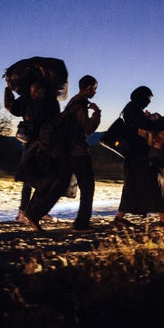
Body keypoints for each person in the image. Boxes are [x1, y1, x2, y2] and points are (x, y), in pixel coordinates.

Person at [113, 86, 164, 226]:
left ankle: (120, 218)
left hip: (137, 155)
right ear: (140, 97)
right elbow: (145, 125)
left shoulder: (132, 109)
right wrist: (162, 121)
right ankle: (163, 218)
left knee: (135, 185)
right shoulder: (133, 110)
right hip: (139, 155)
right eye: (147, 99)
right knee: (155, 182)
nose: (148, 103)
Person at [4, 78, 60, 223]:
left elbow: (56, 119)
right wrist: (8, 90)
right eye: (35, 90)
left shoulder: (50, 103)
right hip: (30, 144)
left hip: (46, 143)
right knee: (28, 177)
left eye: (40, 90)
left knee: (44, 177)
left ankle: (38, 210)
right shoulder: (25, 101)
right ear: (30, 90)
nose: (37, 93)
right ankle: (23, 212)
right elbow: (11, 106)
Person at [65, 75, 101, 231]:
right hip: (78, 151)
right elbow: (87, 129)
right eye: (95, 89)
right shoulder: (80, 105)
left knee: (63, 184)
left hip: (69, 149)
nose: (95, 92)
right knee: (88, 187)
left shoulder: (73, 102)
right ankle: (82, 223)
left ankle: (35, 212)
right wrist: (96, 113)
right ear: (89, 88)